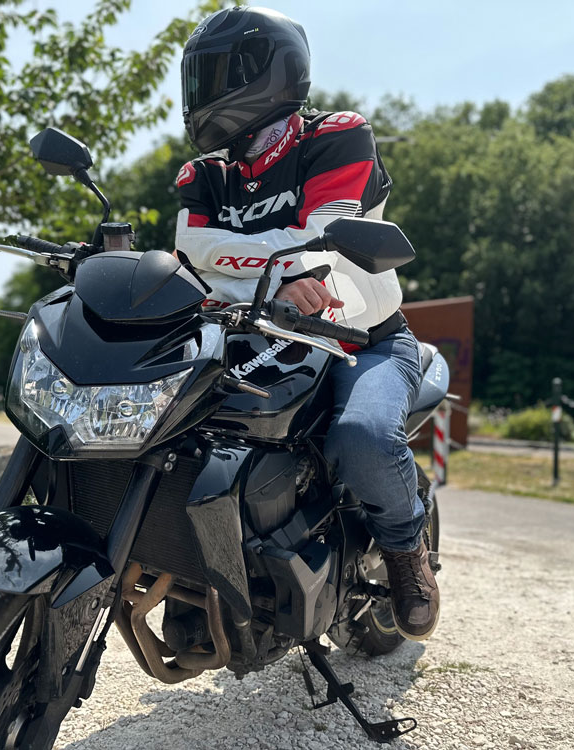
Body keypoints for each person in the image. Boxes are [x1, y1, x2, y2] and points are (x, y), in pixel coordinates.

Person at [173, 6, 439, 640]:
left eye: (220, 74)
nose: (205, 92)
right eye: (200, 77)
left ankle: (406, 554)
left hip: (363, 343)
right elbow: (190, 260)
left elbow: (321, 248)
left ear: (272, 72)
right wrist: (276, 264)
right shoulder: (205, 175)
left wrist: (247, 265)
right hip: (250, 338)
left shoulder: (339, 136)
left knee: (364, 439)